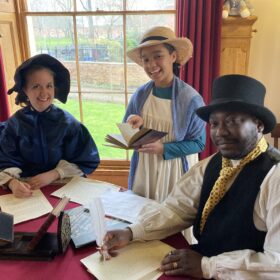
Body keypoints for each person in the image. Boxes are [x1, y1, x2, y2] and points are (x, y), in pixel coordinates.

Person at [102, 74, 280, 279]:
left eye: (231, 121)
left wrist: (208, 266)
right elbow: (177, 209)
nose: (220, 132)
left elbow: (276, 262)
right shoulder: (211, 166)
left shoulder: (274, 178)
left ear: (258, 125)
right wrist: (132, 232)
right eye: (214, 124)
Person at [124, 26, 206, 203]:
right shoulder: (140, 95)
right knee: (143, 219)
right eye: (145, 59)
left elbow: (199, 143)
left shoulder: (191, 99)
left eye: (158, 56)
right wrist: (133, 124)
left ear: (173, 56)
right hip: (144, 170)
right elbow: (128, 135)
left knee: (171, 221)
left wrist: (164, 149)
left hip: (175, 170)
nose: (151, 65)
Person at [0, 54, 100, 198]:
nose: (44, 93)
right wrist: (12, 182)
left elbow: (85, 160)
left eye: (49, 86)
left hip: (63, 187)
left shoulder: (68, 124)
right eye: (36, 86)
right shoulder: (14, 125)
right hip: (27, 190)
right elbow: (4, 160)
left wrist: (54, 174)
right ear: (25, 90)